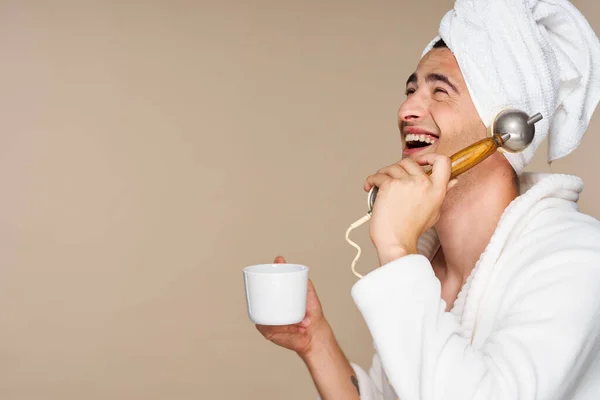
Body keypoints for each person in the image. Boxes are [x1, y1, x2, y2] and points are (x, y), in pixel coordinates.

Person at [255, 0, 600, 399]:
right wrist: (316, 341)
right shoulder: (428, 266)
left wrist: (397, 251)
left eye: (440, 91)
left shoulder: (577, 256)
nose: (406, 109)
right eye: (411, 90)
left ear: (507, 130)